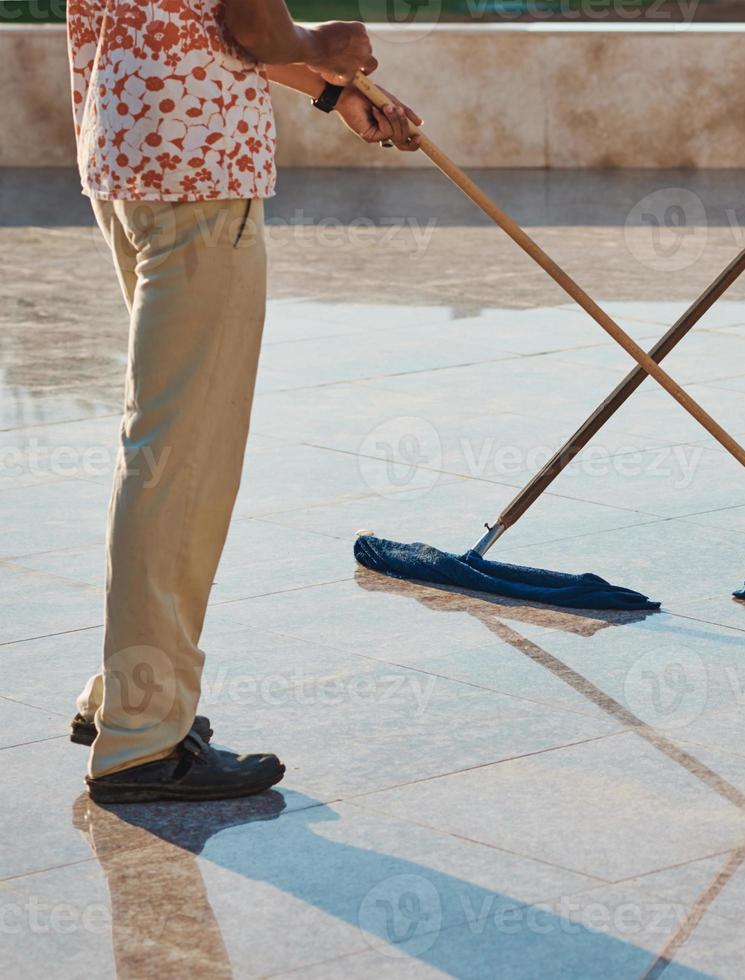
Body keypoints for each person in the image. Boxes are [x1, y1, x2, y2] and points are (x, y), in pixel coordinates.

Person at [66, 0, 421, 802]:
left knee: (161, 446)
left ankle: (127, 693)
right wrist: (327, 44)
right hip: (199, 178)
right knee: (181, 460)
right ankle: (143, 735)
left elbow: (192, 22)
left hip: (130, 162)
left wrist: (330, 89)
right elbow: (252, 24)